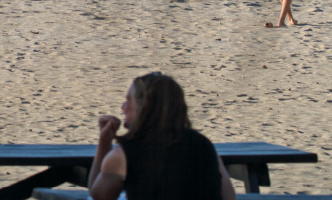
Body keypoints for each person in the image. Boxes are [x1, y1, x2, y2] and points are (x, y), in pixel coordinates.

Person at [87, 72, 236, 200]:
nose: (123, 107)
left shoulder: (125, 154)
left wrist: (104, 140)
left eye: (128, 101)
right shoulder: (203, 144)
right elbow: (229, 196)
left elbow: (98, 195)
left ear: (143, 107)